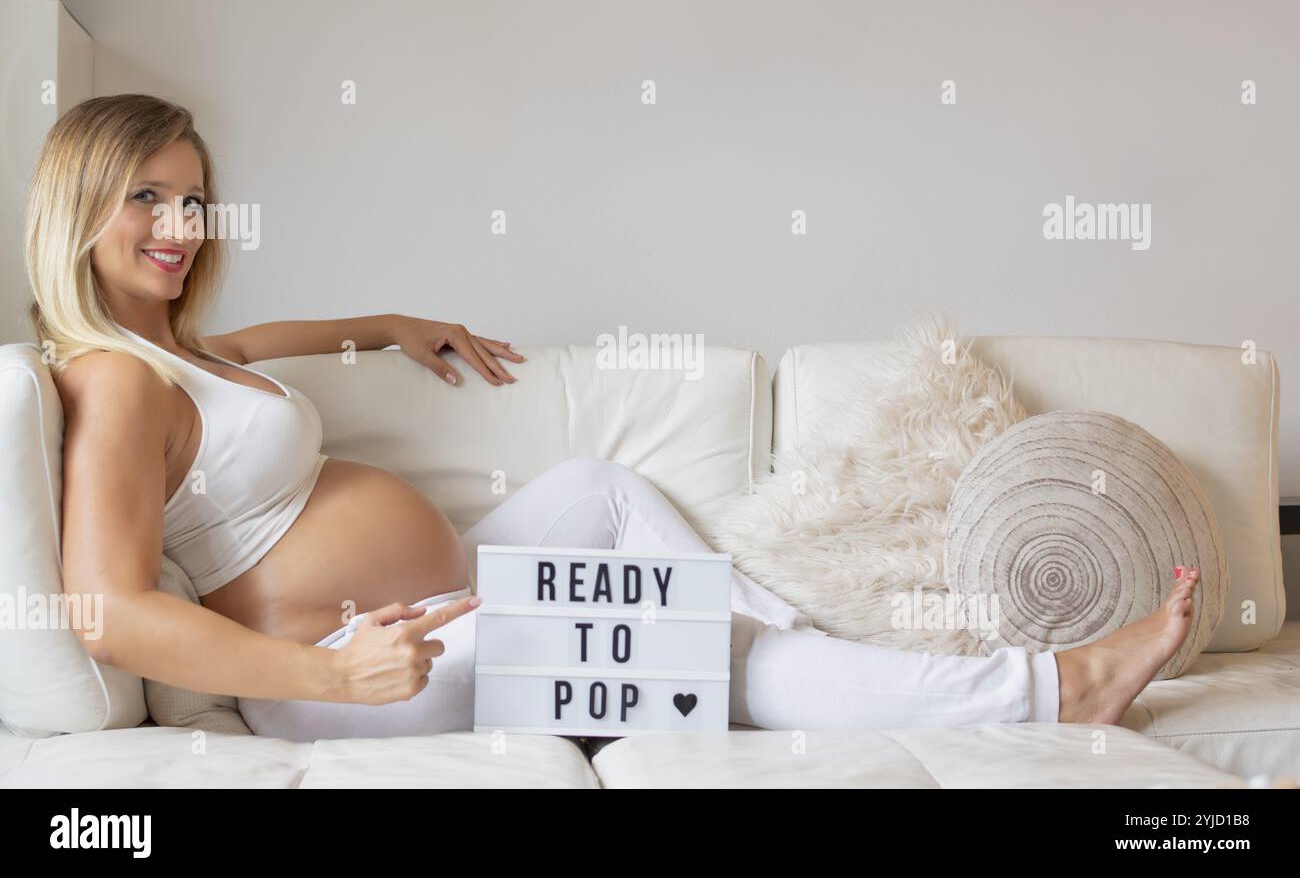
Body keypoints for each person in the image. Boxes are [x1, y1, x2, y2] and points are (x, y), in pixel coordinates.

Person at [31, 94, 1201, 742]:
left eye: (192, 195)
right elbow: (107, 610)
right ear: (79, 205)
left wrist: (390, 321)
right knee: (712, 646)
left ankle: (784, 652)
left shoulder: (183, 353)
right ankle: (1047, 691)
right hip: (361, 668)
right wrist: (329, 676)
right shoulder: (118, 381)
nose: (179, 222)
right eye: (145, 196)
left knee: (603, 486)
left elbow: (260, 346)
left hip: (445, 598)